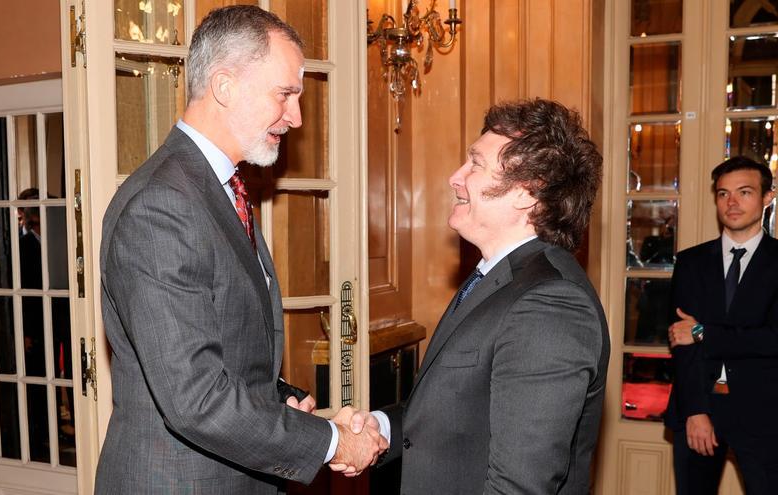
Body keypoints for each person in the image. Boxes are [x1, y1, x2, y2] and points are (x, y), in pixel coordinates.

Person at [94, 6, 386, 494]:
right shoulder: (161, 205)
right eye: (285, 94)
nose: (295, 117)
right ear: (225, 86)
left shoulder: (219, 188)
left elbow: (227, 353)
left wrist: (280, 400)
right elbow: (195, 398)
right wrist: (331, 442)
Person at [334, 99, 610, 493]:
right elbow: (457, 412)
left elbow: (520, 485)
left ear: (527, 193)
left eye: (476, 164)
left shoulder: (550, 303)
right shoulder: (498, 277)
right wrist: (381, 427)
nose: (455, 177)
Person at [666, 156, 778, 494]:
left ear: (767, 197)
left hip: (765, 416)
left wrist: (703, 332)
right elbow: (680, 345)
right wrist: (696, 411)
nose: (732, 203)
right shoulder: (690, 263)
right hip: (698, 410)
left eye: (744, 192)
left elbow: (773, 340)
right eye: (723, 193)